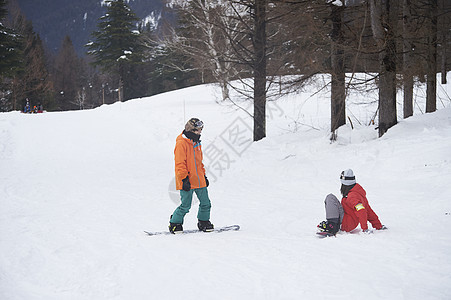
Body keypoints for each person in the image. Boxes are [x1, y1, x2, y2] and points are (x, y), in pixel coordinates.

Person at [169, 118, 214, 234]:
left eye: (201, 130)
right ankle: (175, 223)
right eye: (198, 130)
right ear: (191, 130)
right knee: (185, 205)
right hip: (186, 180)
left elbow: (199, 162)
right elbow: (180, 163)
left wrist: (203, 176)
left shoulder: (196, 142)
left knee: (206, 203)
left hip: (199, 179)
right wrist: (184, 179)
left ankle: (204, 222)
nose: (200, 132)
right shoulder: (181, 143)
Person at [318, 169, 386, 235]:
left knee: (330, 197)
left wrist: (365, 229)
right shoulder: (359, 194)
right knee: (332, 199)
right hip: (350, 222)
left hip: (346, 223)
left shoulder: (352, 196)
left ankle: (332, 225)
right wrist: (378, 226)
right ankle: (332, 223)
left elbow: (361, 211)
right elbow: (369, 211)